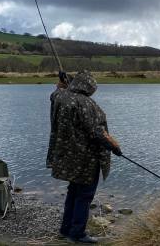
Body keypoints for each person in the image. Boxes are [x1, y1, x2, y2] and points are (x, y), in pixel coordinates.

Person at [47, 70, 122, 243]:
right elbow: (97, 132)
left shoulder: (61, 97)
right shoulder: (87, 104)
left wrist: (62, 82)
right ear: (88, 87)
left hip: (68, 158)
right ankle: (77, 234)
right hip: (86, 160)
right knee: (84, 196)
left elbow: (55, 94)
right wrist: (114, 147)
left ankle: (65, 230)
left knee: (73, 193)